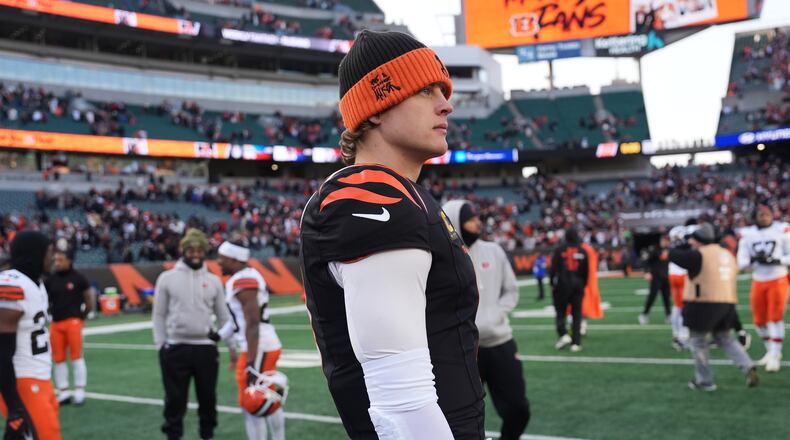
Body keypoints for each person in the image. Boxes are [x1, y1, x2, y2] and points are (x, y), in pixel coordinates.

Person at [299, 30, 484, 439]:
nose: (446, 104)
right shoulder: (368, 194)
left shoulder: (406, 192)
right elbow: (401, 403)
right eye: (426, 91)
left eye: (444, 89)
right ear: (377, 107)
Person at [443, 200, 530, 440]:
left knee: (518, 409)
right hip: (464, 350)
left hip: (499, 341)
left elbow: (511, 290)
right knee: (464, 417)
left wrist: (496, 314)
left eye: (477, 218)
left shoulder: (494, 251)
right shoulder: (443, 256)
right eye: (470, 219)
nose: (477, 223)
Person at [153, 229, 228, 440]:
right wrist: (160, 345)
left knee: (208, 400)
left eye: (199, 250)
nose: (195, 254)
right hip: (176, 347)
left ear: (204, 251)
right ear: (183, 251)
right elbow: (158, 314)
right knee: (174, 401)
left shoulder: (213, 281)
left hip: (206, 348)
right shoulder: (166, 278)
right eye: (191, 250)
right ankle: (173, 436)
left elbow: (223, 317)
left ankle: (207, 435)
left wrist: (231, 346)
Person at [670, 223, 759, 391]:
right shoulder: (727, 255)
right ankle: (747, 365)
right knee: (725, 339)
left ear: (699, 240)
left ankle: (705, 381)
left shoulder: (698, 255)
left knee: (698, 342)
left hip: (702, 303)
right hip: (726, 302)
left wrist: (685, 242)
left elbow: (673, 255)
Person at [216, 241, 285, 440]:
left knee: (253, 401)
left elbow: (252, 322)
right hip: (261, 345)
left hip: (258, 347)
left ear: (233, 258)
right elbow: (239, 321)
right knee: (267, 396)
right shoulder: (245, 276)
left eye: (222, 259)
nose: (219, 263)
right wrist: (219, 335)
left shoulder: (244, 279)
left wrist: (251, 363)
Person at [0, 231, 61, 439]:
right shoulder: (12, 283)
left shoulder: (37, 283)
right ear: (35, 254)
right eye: (49, 252)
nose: (53, 257)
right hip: (22, 380)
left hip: (41, 377)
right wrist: (14, 405)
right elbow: (1, 350)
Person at [736, 203, 790, 372]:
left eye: (767, 214)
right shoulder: (747, 234)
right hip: (758, 279)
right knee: (759, 322)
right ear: (755, 218)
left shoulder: (782, 229)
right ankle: (770, 350)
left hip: (778, 277)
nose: (765, 217)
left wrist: (777, 261)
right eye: (761, 215)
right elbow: (741, 262)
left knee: (775, 318)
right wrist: (754, 261)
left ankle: (775, 355)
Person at [45, 248, 93, 406]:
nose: (57, 263)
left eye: (60, 260)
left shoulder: (79, 278)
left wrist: (81, 317)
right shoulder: (50, 279)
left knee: (76, 357)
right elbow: (46, 301)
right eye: (55, 260)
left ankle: (80, 391)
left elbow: (89, 300)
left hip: (73, 322)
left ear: (69, 261)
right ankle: (63, 391)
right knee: (58, 358)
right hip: (57, 323)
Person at [550, 227, 589, 352]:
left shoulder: (559, 250)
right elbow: (586, 271)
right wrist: (583, 285)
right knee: (576, 314)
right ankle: (576, 343)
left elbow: (553, 269)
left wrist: (552, 283)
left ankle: (563, 334)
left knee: (560, 312)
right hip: (578, 285)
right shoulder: (583, 251)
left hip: (562, 285)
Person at [639, 235, 671, 325]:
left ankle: (668, 315)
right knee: (652, 297)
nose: (666, 242)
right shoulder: (654, 249)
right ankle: (644, 314)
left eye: (667, 240)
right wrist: (647, 272)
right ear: (661, 240)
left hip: (666, 276)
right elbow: (646, 261)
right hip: (656, 277)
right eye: (665, 240)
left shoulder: (669, 249)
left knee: (666, 297)